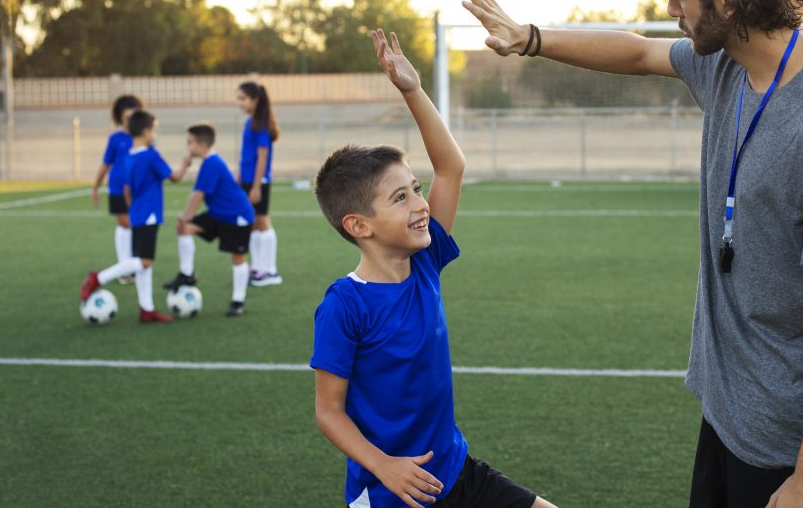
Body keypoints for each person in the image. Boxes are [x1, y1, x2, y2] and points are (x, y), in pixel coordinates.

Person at [462, 0, 803, 506]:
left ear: (727, 1)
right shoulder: (730, 64)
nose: (668, 9)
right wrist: (528, 38)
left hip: (791, 444)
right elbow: (637, 51)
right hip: (731, 413)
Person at [310, 29, 559, 508]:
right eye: (400, 198)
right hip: (390, 492)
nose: (420, 204)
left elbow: (452, 168)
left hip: (454, 470)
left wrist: (412, 89)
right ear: (359, 225)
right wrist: (384, 465)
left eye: (417, 189)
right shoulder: (344, 304)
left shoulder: (424, 261)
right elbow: (329, 413)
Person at [81, 110, 191, 323]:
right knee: (145, 262)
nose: (155, 135)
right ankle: (97, 278)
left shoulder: (129, 156)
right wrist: (185, 165)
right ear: (146, 131)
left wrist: (133, 209)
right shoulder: (150, 155)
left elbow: (126, 189)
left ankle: (146, 309)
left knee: (143, 263)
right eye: (154, 130)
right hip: (149, 214)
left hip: (138, 213)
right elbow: (175, 178)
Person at [163, 123, 255, 317]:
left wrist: (186, 215)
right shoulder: (208, 162)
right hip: (218, 214)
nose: (187, 147)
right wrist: (185, 219)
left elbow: (198, 195)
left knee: (238, 258)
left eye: (190, 143)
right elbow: (197, 194)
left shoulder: (212, 163)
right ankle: (187, 274)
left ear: (202, 144)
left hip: (236, 216)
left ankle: (238, 300)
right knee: (184, 229)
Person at [90, 94, 144, 283]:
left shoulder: (142, 138)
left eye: (134, 116)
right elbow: (105, 164)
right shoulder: (115, 139)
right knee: (125, 224)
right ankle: (125, 268)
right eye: (126, 117)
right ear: (120, 117)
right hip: (117, 189)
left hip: (137, 190)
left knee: (136, 225)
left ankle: (131, 265)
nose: (130, 121)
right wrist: (95, 187)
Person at [236, 81, 282, 287]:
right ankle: (257, 267)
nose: (239, 102)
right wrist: (239, 177)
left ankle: (270, 270)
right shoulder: (250, 122)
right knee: (253, 222)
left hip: (258, 180)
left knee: (262, 221)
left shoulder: (261, 124)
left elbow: (262, 157)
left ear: (255, 100)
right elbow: (245, 155)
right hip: (247, 179)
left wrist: (256, 186)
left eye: (242, 98)